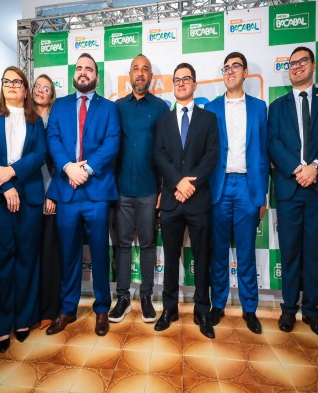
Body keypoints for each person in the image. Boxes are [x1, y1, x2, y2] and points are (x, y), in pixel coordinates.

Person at [267, 46, 318, 338]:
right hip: (289, 186)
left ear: (313, 65)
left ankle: (311, 311)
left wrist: (316, 167)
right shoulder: (277, 105)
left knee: (313, 252)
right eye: (292, 63)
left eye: (302, 61)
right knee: (290, 252)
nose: (297, 66)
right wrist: (297, 168)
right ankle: (288, 308)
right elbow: (273, 142)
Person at [46, 53, 120, 337]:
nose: (83, 72)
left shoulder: (109, 108)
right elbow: (53, 139)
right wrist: (68, 167)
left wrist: (85, 169)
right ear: (73, 74)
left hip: (96, 191)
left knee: (100, 252)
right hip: (67, 191)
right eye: (79, 68)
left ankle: (101, 309)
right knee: (68, 253)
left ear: (96, 77)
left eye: (89, 69)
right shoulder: (60, 105)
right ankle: (67, 309)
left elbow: (112, 143)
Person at [0, 66, 46, 352]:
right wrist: (5, 185)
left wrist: (13, 172)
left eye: (18, 82)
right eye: (7, 81)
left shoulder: (35, 120)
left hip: (29, 197)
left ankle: (24, 318)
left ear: (26, 89)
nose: (12, 85)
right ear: (2, 86)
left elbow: (40, 154)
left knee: (26, 259)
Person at [204, 52, 269, 334]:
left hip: (247, 186)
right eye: (226, 68)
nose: (230, 71)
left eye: (235, 67)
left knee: (246, 253)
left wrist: (262, 193)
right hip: (219, 186)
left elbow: (264, 152)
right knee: (218, 251)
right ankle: (217, 304)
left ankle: (249, 308)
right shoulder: (211, 108)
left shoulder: (259, 107)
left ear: (245, 72)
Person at [153, 62, 219, 339]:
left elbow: (212, 155)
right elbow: (159, 155)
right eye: (177, 79)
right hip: (171, 200)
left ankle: (202, 310)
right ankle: (169, 308)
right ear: (173, 85)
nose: (181, 83)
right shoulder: (163, 121)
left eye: (186, 78)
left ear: (194, 84)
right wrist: (177, 182)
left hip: (198, 199)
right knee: (170, 258)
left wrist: (190, 184)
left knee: (203, 258)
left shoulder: (208, 119)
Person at [109, 54, 169, 324]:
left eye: (145, 69)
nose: (141, 73)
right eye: (136, 68)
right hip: (121, 189)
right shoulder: (117, 107)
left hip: (149, 190)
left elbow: (167, 151)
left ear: (151, 76)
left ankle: (146, 297)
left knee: (147, 244)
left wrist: (163, 189)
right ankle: (122, 297)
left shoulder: (161, 108)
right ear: (130, 75)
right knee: (122, 245)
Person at [32, 74, 61, 329]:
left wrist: (52, 192)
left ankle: (49, 309)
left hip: (51, 195)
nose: (41, 91)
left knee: (50, 254)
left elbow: (62, 160)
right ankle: (30, 309)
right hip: (26, 197)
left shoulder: (57, 120)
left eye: (46, 88)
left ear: (52, 95)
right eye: (37, 86)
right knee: (30, 255)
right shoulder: (24, 118)